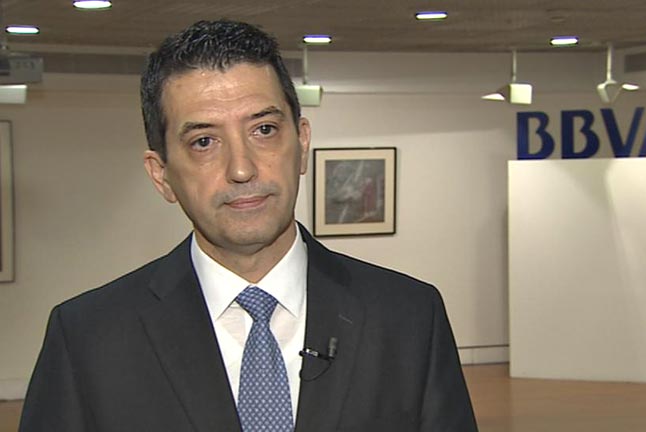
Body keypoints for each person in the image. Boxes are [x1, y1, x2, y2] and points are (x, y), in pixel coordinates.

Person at [19, 19, 477, 432]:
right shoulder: (88, 339)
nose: (242, 168)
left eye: (264, 130)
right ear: (162, 175)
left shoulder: (408, 318)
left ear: (302, 142)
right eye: (204, 141)